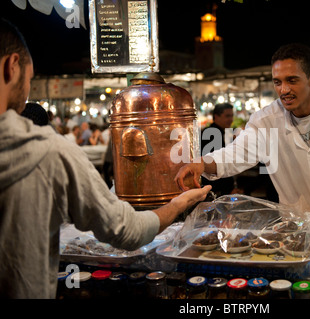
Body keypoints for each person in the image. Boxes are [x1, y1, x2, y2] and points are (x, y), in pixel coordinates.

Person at [0, 18, 211, 298]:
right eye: (29, 78)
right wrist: (177, 204)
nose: (27, 91)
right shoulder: (47, 153)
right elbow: (127, 230)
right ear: (11, 66)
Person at [175, 43, 310, 229]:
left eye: (292, 80)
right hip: (300, 231)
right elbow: (236, 154)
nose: (284, 90)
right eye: (277, 82)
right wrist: (201, 164)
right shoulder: (266, 119)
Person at [201, 103, 235, 197]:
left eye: (232, 116)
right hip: (215, 190)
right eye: (227, 116)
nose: (231, 119)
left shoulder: (222, 132)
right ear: (216, 116)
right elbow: (217, 163)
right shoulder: (211, 135)